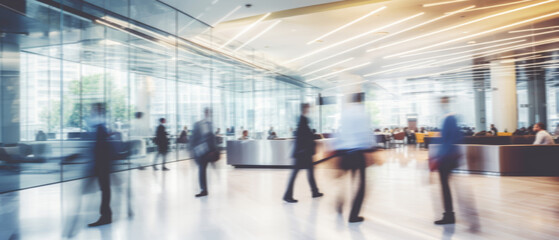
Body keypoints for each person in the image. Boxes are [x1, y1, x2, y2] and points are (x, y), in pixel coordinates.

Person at [333, 93, 375, 223]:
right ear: (361, 101)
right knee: (361, 185)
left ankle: (340, 202)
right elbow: (366, 133)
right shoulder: (363, 114)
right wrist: (371, 148)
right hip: (357, 153)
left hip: (344, 152)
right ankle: (353, 215)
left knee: (344, 180)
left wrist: (336, 149)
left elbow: (339, 132)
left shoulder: (344, 114)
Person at [430, 96, 463, 225]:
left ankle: (449, 215)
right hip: (448, 156)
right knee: (446, 186)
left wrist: (439, 156)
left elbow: (448, 140)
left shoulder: (449, 118)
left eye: (441, 102)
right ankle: (449, 214)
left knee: (445, 186)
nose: (440, 104)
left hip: (446, 158)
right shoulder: (448, 117)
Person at [283, 103, 323, 203]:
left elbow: (304, 135)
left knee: (310, 172)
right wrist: (313, 137)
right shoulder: (303, 120)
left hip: (303, 153)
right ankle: (288, 195)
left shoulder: (303, 120)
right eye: (308, 108)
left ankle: (314, 191)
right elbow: (304, 136)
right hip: (302, 153)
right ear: (304, 109)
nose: (309, 110)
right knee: (296, 174)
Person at [88, 103, 113, 227]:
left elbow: (101, 148)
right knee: (105, 189)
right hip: (102, 164)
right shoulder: (101, 127)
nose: (91, 112)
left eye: (93, 110)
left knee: (105, 189)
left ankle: (106, 216)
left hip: (102, 164)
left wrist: (96, 166)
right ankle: (106, 214)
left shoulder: (100, 128)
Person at [191, 108, 217, 197]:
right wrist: (193, 151)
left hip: (210, 152)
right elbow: (193, 139)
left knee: (203, 170)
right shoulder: (198, 124)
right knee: (202, 170)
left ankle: (204, 189)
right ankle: (204, 190)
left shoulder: (211, 125)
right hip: (201, 152)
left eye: (209, 112)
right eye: (206, 112)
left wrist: (215, 150)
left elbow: (212, 139)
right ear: (204, 113)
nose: (208, 114)